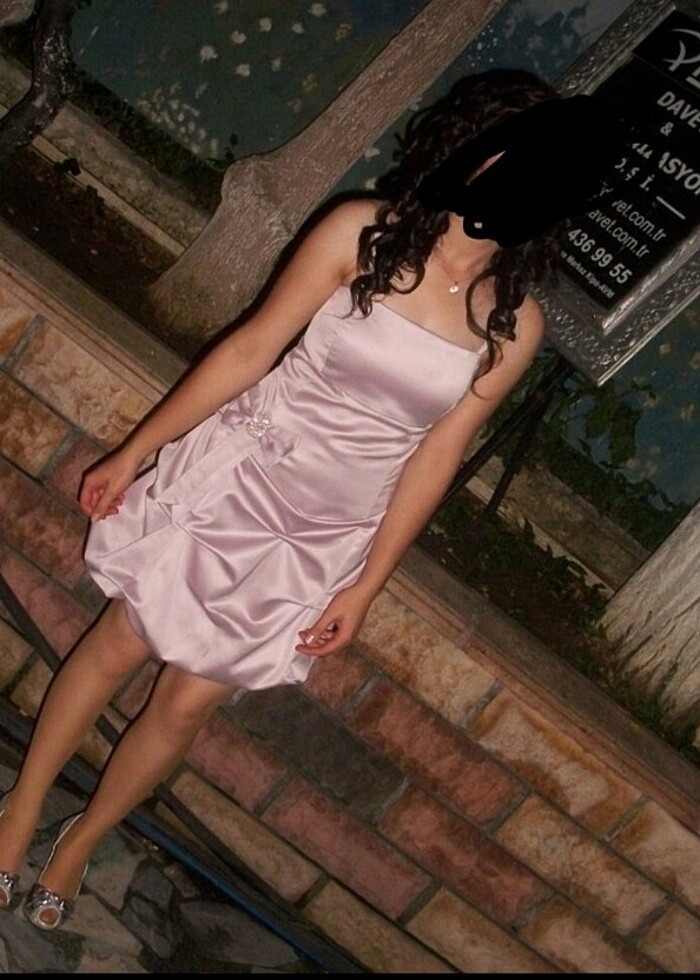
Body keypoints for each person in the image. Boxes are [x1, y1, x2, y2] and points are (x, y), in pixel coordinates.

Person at [0, 67, 626, 930]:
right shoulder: (362, 233)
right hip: (236, 478)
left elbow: (436, 460)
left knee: (185, 704)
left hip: (320, 537)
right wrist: (133, 450)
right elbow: (250, 348)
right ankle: (22, 812)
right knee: (118, 645)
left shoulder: (512, 325)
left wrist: (364, 587)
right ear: (473, 150)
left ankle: (82, 839)